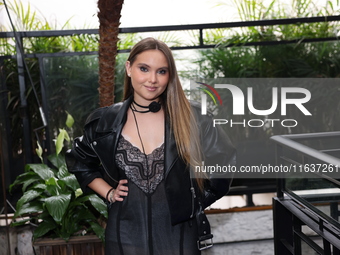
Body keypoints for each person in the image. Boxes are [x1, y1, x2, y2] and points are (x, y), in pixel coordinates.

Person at [66, 37, 236, 255]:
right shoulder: (104, 122)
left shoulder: (194, 117)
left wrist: (193, 203)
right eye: (144, 68)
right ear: (128, 68)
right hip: (124, 236)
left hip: (179, 236)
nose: (152, 79)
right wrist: (108, 193)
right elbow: (79, 161)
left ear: (170, 76)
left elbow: (225, 162)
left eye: (162, 71)